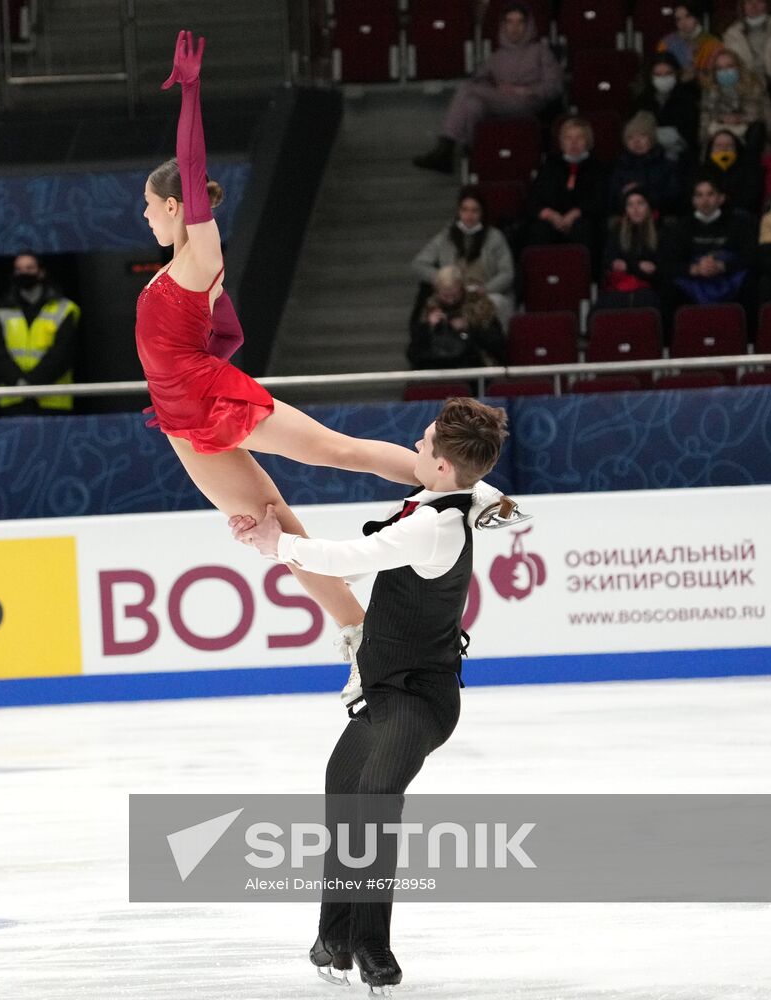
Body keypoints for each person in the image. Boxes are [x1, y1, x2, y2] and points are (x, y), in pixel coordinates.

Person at [141, 30, 426, 697]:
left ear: (175, 206)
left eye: (151, 206)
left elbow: (191, 170)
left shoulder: (196, 259)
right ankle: (362, 640)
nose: (146, 215)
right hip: (181, 420)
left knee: (338, 452)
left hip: (211, 397)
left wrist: (189, 93)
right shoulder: (171, 266)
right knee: (274, 531)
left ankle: (458, 483)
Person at [229, 397, 511, 996]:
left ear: (441, 467)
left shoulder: (432, 524)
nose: (415, 444)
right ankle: (333, 937)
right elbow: (486, 496)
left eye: (425, 441)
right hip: (388, 693)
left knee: (375, 801)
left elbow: (347, 562)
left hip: (418, 700)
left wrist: (275, 545)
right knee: (344, 790)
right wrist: (492, 498)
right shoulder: (456, 498)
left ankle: (372, 946)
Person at [412, 3, 561, 174]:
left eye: (520, 22)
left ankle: (447, 146)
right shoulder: (497, 56)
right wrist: (491, 86)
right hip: (501, 101)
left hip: (529, 102)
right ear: (503, 25)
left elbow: (555, 86)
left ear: (528, 26)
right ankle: (471, 153)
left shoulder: (540, 51)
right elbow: (478, 78)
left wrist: (527, 90)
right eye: (510, 22)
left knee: (466, 88)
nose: (514, 28)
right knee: (472, 104)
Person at [0, 253, 80, 414]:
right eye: (19, 269)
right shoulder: (2, 309)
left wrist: (33, 383)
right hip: (14, 399)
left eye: (30, 268)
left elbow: (63, 353)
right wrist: (18, 382)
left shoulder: (63, 309)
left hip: (53, 402)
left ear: (41, 272)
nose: (24, 273)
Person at [410, 187, 515, 328]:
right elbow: (418, 264)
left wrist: (486, 289)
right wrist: (443, 280)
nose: (469, 215)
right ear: (459, 212)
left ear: (481, 213)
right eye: (465, 210)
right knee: (431, 309)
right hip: (453, 295)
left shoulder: (495, 237)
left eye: (474, 210)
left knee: (497, 303)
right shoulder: (446, 237)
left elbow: (507, 273)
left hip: (484, 293)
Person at [523, 117, 610, 257]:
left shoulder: (597, 167)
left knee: (584, 229)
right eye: (568, 138)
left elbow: (600, 200)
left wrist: (575, 213)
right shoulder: (550, 166)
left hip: (582, 221)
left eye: (579, 138)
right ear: (561, 142)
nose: (573, 143)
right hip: (552, 220)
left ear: (587, 140)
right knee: (538, 230)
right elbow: (533, 199)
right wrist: (550, 215)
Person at [668, 177, 757, 312]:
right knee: (669, 287)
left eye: (710, 194)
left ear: (721, 198)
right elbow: (668, 262)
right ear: (693, 200)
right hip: (694, 280)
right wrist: (695, 269)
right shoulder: (680, 227)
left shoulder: (738, 224)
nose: (705, 200)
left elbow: (750, 256)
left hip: (729, 278)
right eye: (699, 195)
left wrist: (722, 266)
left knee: (752, 281)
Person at [407, 265, 506, 370]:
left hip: (474, 363)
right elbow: (413, 352)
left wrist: (469, 328)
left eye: (454, 295)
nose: (450, 301)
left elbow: (498, 344)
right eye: (445, 296)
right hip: (435, 362)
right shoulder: (429, 307)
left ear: (461, 288)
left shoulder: (480, 305)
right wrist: (427, 327)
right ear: (437, 291)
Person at [597, 190, 667, 312]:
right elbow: (609, 261)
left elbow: (657, 267)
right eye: (630, 205)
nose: (635, 209)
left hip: (653, 288)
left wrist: (628, 265)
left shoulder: (661, 231)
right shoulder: (617, 230)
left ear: (649, 206)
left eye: (640, 203)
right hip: (620, 286)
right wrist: (638, 266)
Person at [608, 112, 685, 217]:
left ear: (651, 139)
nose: (636, 141)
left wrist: (644, 193)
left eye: (642, 136)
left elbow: (675, 197)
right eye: (630, 137)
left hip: (660, 218)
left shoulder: (667, 165)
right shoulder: (620, 166)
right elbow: (611, 199)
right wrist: (625, 195)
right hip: (628, 218)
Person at [699, 48, 771, 146]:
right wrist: (721, 119)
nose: (725, 71)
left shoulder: (753, 86)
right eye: (719, 68)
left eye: (729, 66)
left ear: (738, 67)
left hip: (753, 139)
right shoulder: (710, 90)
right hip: (720, 142)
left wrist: (740, 119)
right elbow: (705, 126)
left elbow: (764, 119)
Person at [635, 52, 702, 163]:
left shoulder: (688, 99)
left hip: (682, 160)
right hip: (647, 159)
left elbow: (693, 137)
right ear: (651, 76)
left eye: (668, 73)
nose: (663, 78)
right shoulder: (642, 101)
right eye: (658, 74)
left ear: (676, 74)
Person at [696, 128, 764, 213]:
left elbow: (751, 198)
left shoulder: (748, 171)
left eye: (729, 145)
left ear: (736, 149)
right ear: (710, 149)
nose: (723, 149)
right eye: (718, 145)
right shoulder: (701, 172)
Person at [658, 1, 723, 84]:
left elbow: (715, 76)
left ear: (697, 17)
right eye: (678, 19)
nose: (683, 22)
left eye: (688, 16)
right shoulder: (666, 44)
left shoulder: (713, 44)